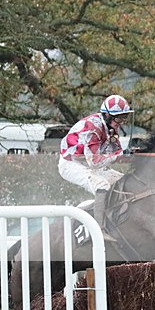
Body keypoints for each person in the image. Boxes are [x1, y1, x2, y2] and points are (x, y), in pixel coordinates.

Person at [59, 95, 133, 233]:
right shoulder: (93, 127)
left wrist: (135, 154)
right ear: (107, 115)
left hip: (87, 162)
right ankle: (99, 230)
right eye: (118, 118)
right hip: (70, 164)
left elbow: (116, 153)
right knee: (102, 185)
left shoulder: (111, 127)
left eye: (124, 117)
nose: (121, 121)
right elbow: (94, 162)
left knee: (121, 180)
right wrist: (121, 155)